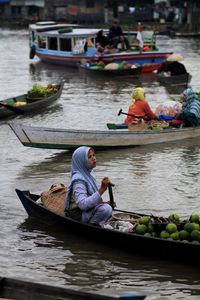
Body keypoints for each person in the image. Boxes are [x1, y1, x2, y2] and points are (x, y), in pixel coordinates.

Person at [65, 146, 115, 226]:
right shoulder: (79, 180)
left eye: (93, 155)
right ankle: (91, 226)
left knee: (107, 207)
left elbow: (90, 196)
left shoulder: (88, 172)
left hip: (85, 210)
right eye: (89, 157)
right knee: (106, 209)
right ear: (82, 161)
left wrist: (104, 203)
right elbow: (83, 205)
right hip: (77, 214)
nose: (94, 158)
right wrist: (102, 189)